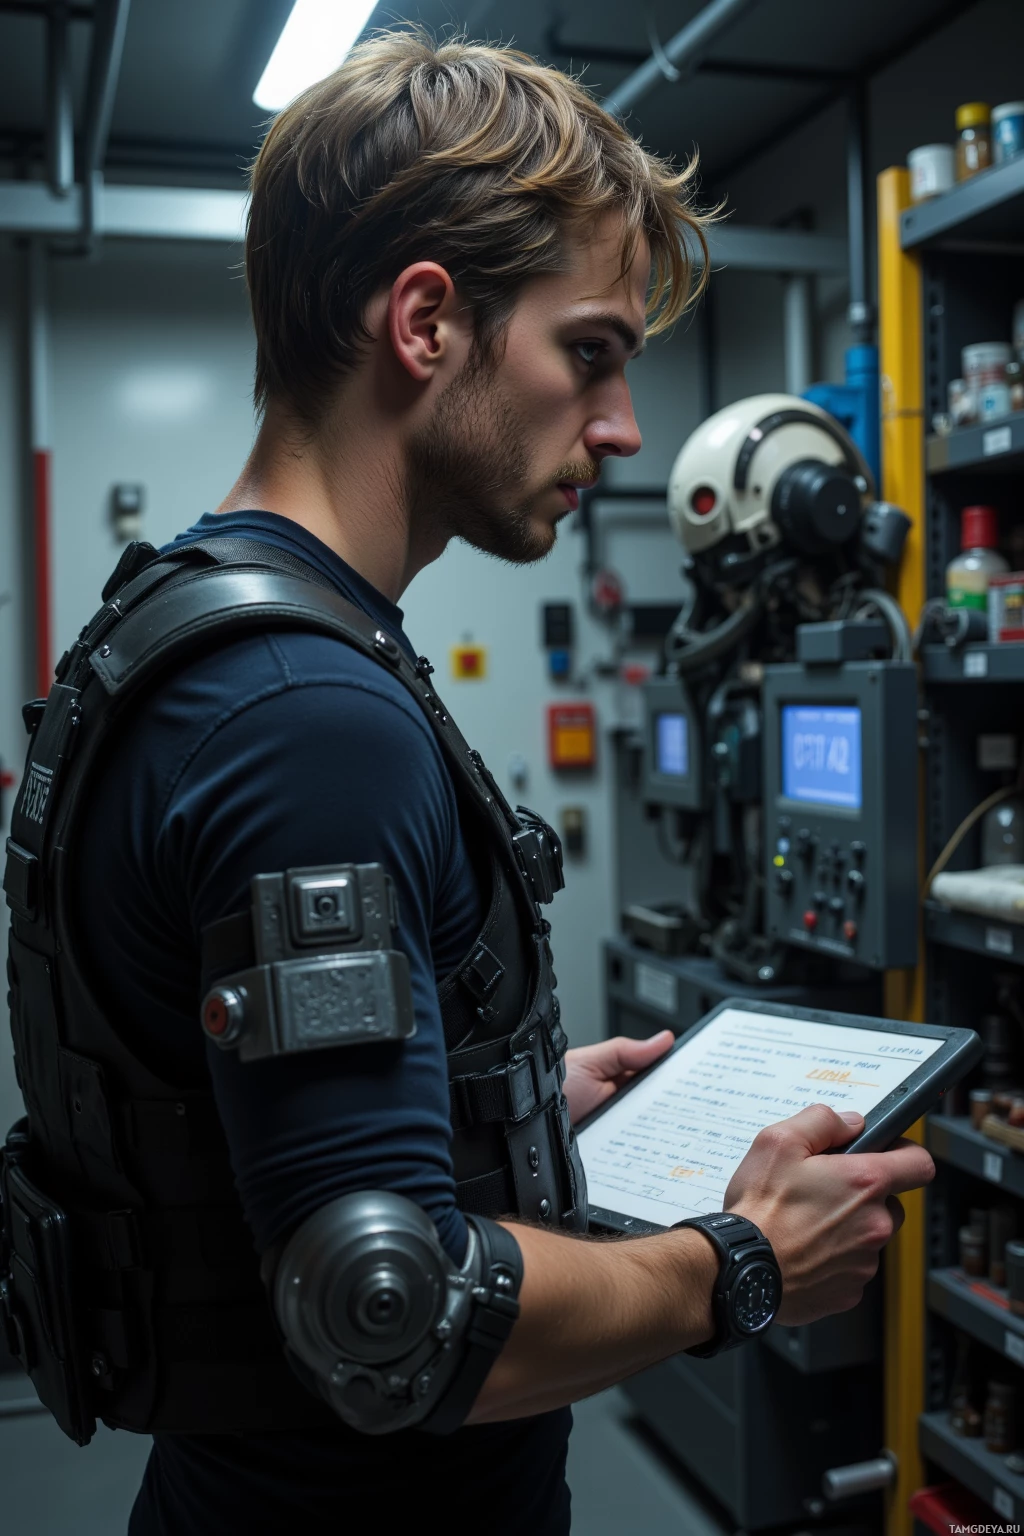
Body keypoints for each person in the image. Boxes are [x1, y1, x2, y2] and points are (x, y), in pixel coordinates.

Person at [2, 29, 933, 1536]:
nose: (621, 428)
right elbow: (391, 1317)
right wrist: (741, 1260)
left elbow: (220, 1129)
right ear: (427, 323)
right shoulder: (304, 712)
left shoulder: (187, 624)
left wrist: (507, 1107)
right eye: (591, 351)